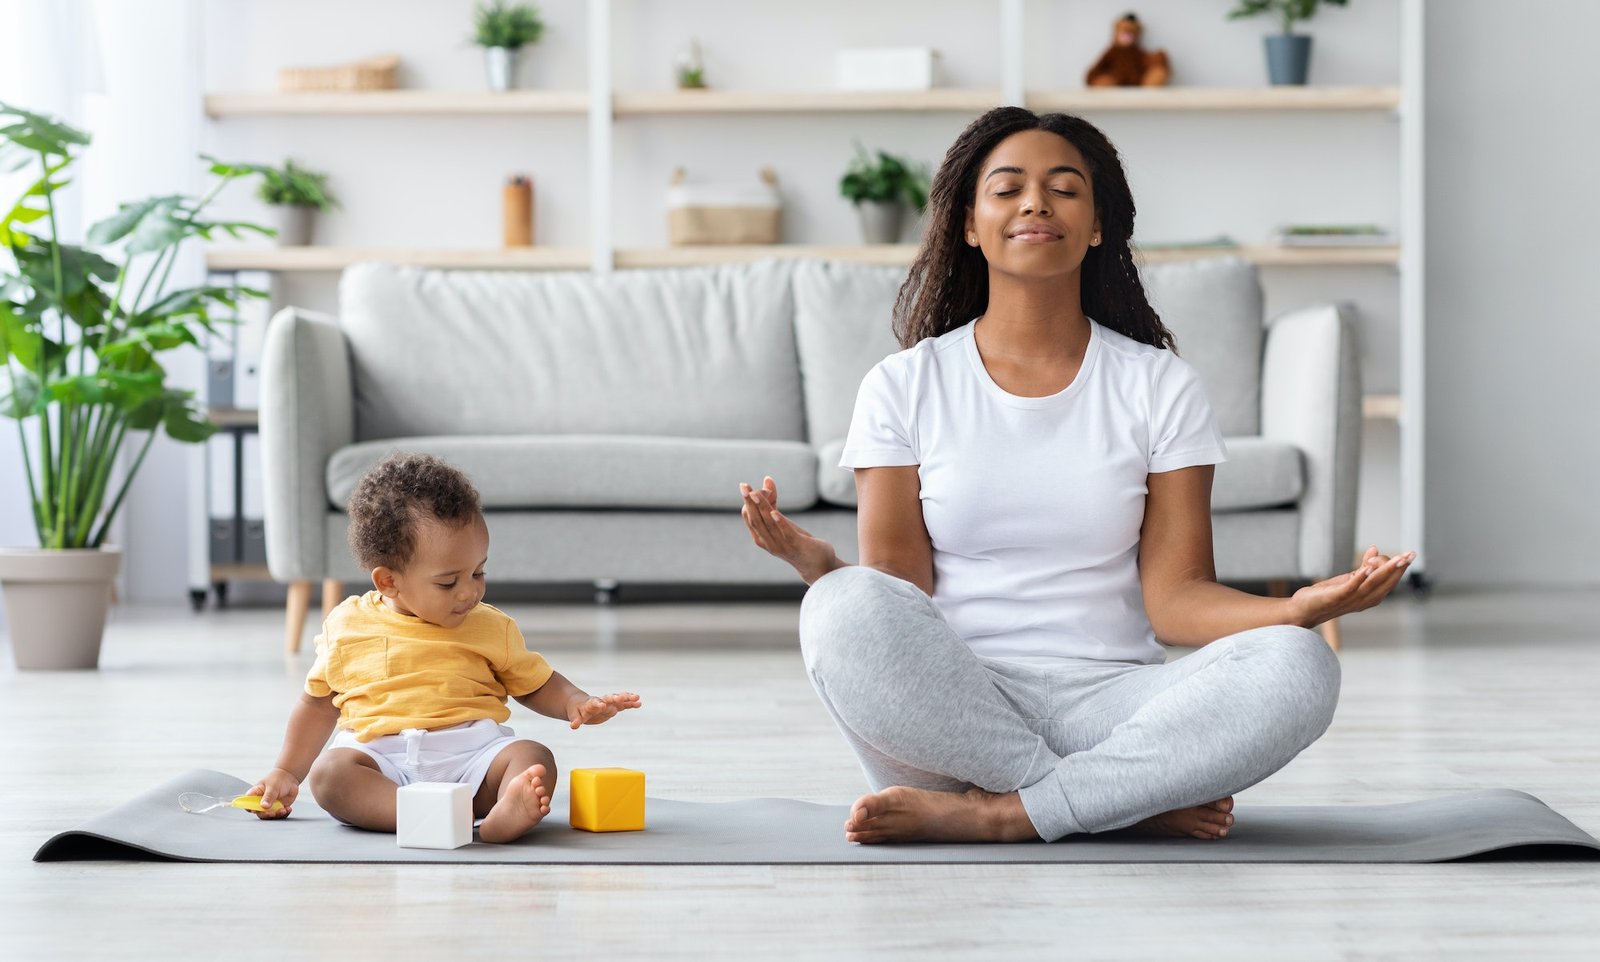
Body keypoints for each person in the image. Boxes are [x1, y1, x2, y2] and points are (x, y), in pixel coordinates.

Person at [739, 106, 1413, 845]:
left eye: (1063, 187)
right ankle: (1114, 798)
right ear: (969, 224)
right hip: (956, 712)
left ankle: (1005, 813)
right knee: (840, 607)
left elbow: (1177, 601)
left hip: (1115, 702)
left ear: (1096, 226)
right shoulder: (903, 385)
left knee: (1299, 666)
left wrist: (1297, 610)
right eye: (1008, 188)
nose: (1035, 202)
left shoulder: (1160, 385)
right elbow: (901, 595)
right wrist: (824, 569)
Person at [251, 453, 641, 843]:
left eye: (478, 572)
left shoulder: (491, 626)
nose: (470, 591)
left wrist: (576, 702)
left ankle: (500, 813)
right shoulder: (347, 625)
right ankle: (430, 815)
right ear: (388, 581)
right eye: (448, 582)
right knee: (330, 776)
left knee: (534, 758)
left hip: (473, 754)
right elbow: (317, 705)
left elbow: (535, 683)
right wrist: (287, 771)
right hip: (383, 761)